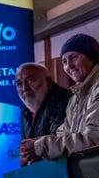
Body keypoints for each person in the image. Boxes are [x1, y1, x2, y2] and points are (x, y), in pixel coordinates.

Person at [20, 34, 99, 165]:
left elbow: (93, 139)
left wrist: (40, 146)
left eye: (74, 57)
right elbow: (63, 134)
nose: (69, 66)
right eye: (64, 61)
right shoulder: (75, 99)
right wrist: (33, 147)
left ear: (92, 58)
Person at [16, 63, 71, 147]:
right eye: (19, 84)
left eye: (30, 80)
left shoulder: (61, 102)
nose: (25, 88)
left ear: (48, 82)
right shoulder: (25, 111)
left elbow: (60, 145)